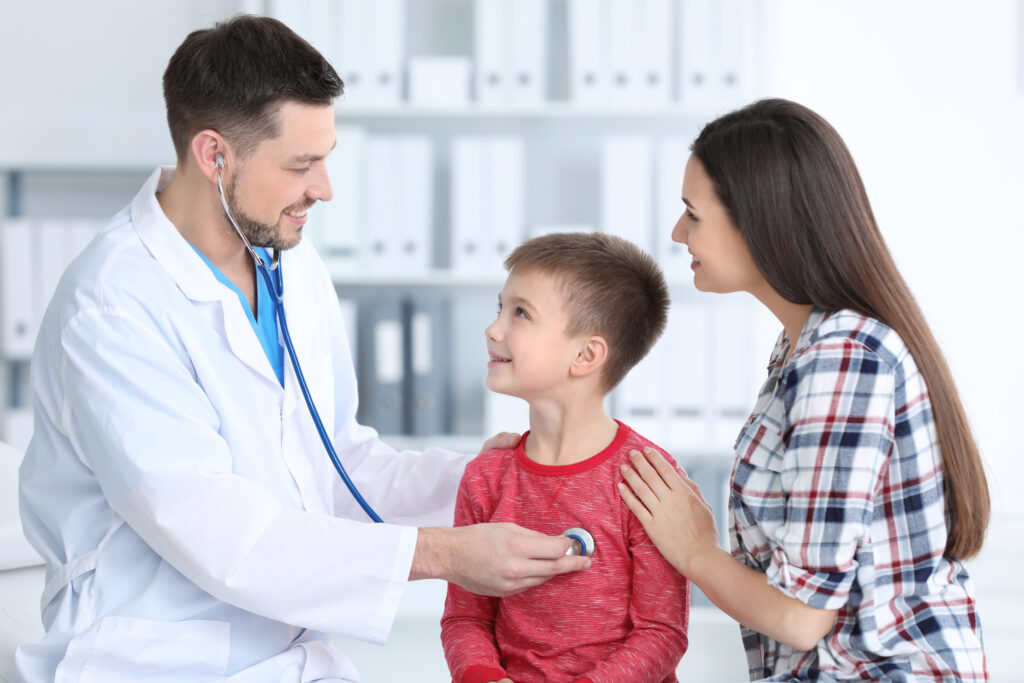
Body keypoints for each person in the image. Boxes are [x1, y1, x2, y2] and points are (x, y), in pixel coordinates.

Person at [14, 15, 589, 683]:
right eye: (301, 164)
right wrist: (447, 554)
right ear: (213, 154)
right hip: (154, 662)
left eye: (326, 157)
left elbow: (337, 463)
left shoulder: (286, 260)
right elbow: (223, 536)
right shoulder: (112, 306)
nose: (324, 188)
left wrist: (478, 483)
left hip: (286, 655)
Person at [617, 98, 989, 681]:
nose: (677, 232)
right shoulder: (803, 347)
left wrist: (693, 549)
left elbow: (801, 616)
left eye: (693, 213)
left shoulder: (842, 358)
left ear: (760, 220)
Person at [441, 232, 690, 683]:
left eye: (521, 313)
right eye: (500, 308)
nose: (493, 329)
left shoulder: (648, 477)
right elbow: (466, 619)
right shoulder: (486, 477)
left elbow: (662, 633)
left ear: (586, 355)